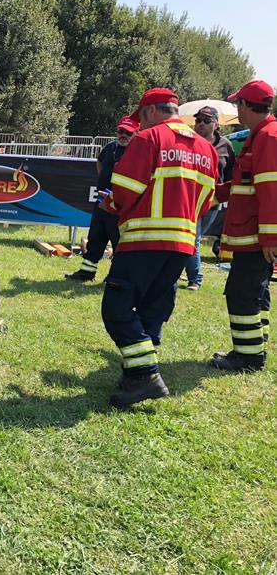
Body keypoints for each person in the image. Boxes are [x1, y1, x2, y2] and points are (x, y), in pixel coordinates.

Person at [98, 88, 218, 408]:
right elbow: (209, 200)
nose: (139, 126)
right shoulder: (207, 149)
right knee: (153, 307)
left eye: (141, 118)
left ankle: (145, 375)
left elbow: (125, 190)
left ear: (151, 112)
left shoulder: (149, 139)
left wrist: (110, 203)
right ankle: (135, 373)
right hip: (181, 243)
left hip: (143, 239)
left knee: (117, 308)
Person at [211, 80, 277, 372]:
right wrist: (214, 192)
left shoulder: (267, 138)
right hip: (253, 234)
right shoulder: (260, 136)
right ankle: (255, 347)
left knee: (242, 293)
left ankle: (248, 357)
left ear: (246, 106)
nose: (236, 108)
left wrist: (270, 238)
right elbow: (245, 184)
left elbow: (270, 189)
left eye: (238, 103)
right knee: (253, 292)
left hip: (257, 236)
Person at [66, 116, 139, 281]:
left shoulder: (137, 152)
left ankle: (115, 276)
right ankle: (87, 272)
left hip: (120, 205)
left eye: (128, 132)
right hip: (101, 202)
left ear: (136, 133)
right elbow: (99, 162)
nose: (124, 135)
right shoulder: (110, 148)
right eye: (121, 131)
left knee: (118, 241)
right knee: (96, 238)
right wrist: (103, 181)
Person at [183, 105, 235, 290]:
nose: (201, 124)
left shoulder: (225, 145)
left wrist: (227, 194)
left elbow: (231, 173)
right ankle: (195, 278)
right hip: (190, 199)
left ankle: (191, 276)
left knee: (193, 238)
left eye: (206, 121)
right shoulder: (189, 142)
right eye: (198, 120)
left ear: (216, 124)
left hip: (214, 201)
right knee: (192, 238)